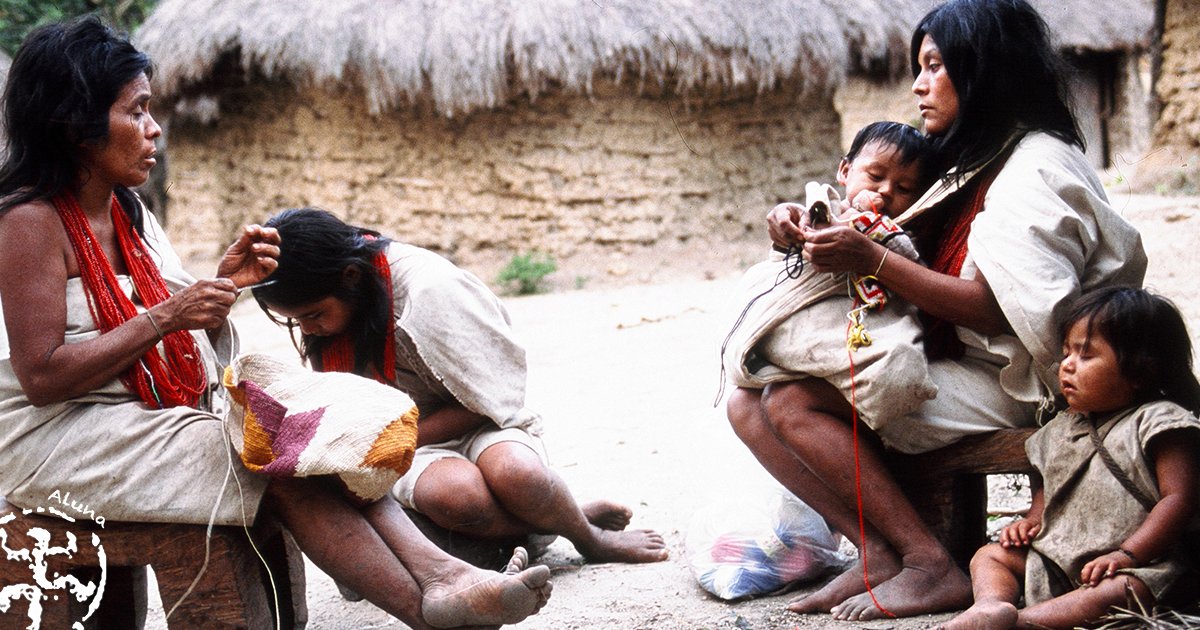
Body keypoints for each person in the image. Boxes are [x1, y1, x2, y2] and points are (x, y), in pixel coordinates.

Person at [0, 16, 550, 629]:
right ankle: (433, 600)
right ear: (76, 125)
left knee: (309, 429)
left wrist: (222, 287)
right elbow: (44, 376)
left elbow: (160, 324)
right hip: (59, 441)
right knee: (279, 455)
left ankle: (442, 580)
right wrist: (168, 314)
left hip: (133, 422)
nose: (154, 129)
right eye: (137, 111)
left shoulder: (128, 211)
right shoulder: (29, 222)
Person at [728, 0, 1147, 621]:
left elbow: (1003, 314)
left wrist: (871, 261)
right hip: (984, 365)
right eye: (917, 67)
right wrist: (809, 219)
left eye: (934, 66)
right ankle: (877, 555)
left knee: (790, 400)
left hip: (1037, 385)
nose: (918, 85)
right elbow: (886, 220)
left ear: (980, 71)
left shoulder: (1032, 171)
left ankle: (929, 564)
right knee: (746, 402)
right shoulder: (981, 155)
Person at [252, 207, 669, 565]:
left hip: (478, 420)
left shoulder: (431, 292)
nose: (308, 329)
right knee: (459, 499)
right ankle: (563, 517)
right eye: (296, 320)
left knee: (519, 475)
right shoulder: (336, 302)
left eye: (313, 314)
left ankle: (588, 539)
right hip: (406, 442)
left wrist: (392, 437)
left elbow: (493, 400)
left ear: (348, 276)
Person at [943, 287, 1200, 630]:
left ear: (1140, 371)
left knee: (1125, 590)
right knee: (990, 555)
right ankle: (991, 605)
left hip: (1140, 565)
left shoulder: (1158, 421)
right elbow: (1052, 486)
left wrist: (1128, 554)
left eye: (1086, 356)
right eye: (1066, 353)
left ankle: (1022, 622)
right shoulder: (1059, 428)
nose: (1066, 366)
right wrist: (1032, 521)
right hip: (1059, 557)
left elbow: (1179, 499)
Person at [722, 121, 937, 431]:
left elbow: (911, 268)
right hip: (818, 330)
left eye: (904, 188)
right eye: (875, 176)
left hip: (861, 344)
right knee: (743, 401)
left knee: (896, 363)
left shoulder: (902, 233)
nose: (886, 191)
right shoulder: (824, 211)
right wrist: (796, 232)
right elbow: (791, 259)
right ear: (845, 171)